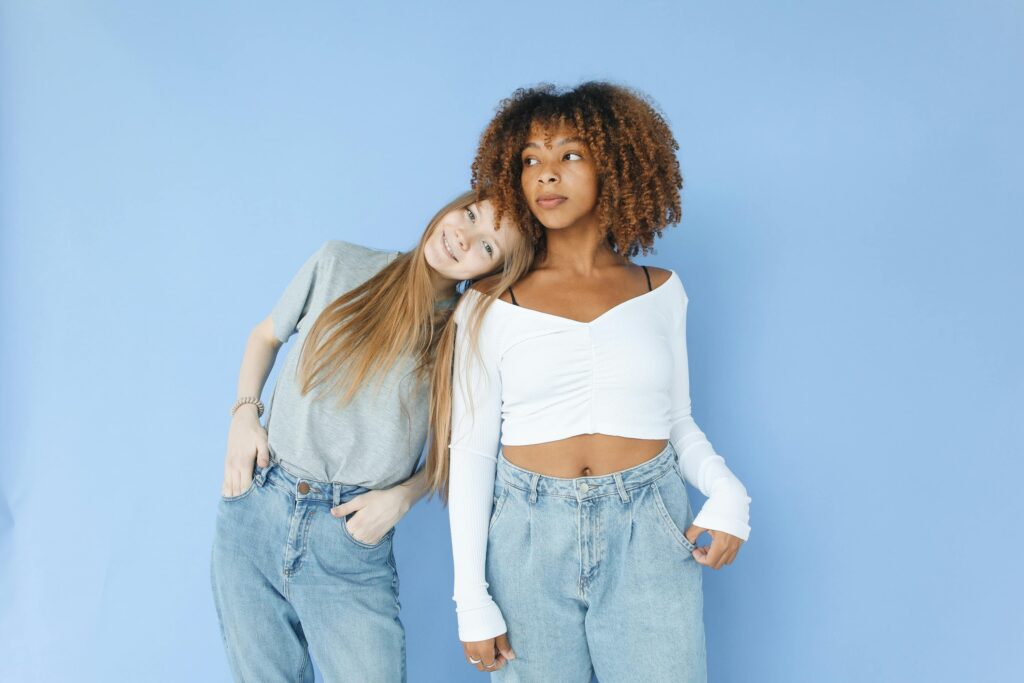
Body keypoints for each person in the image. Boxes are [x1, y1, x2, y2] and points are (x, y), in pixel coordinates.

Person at [431, 83, 752, 682]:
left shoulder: (661, 290)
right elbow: (472, 452)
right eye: (531, 160)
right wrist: (470, 600)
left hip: (649, 529)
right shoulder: (487, 304)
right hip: (526, 538)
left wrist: (730, 496)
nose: (546, 176)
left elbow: (677, 421)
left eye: (569, 156)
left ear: (617, 165)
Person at [211, 190, 532, 683]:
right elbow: (265, 336)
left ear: (494, 270)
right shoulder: (339, 261)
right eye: (470, 215)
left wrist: (404, 495)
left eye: (487, 246)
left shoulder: (464, 333)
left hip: (349, 538)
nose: (463, 237)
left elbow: (467, 449)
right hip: (257, 507)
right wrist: (243, 416)